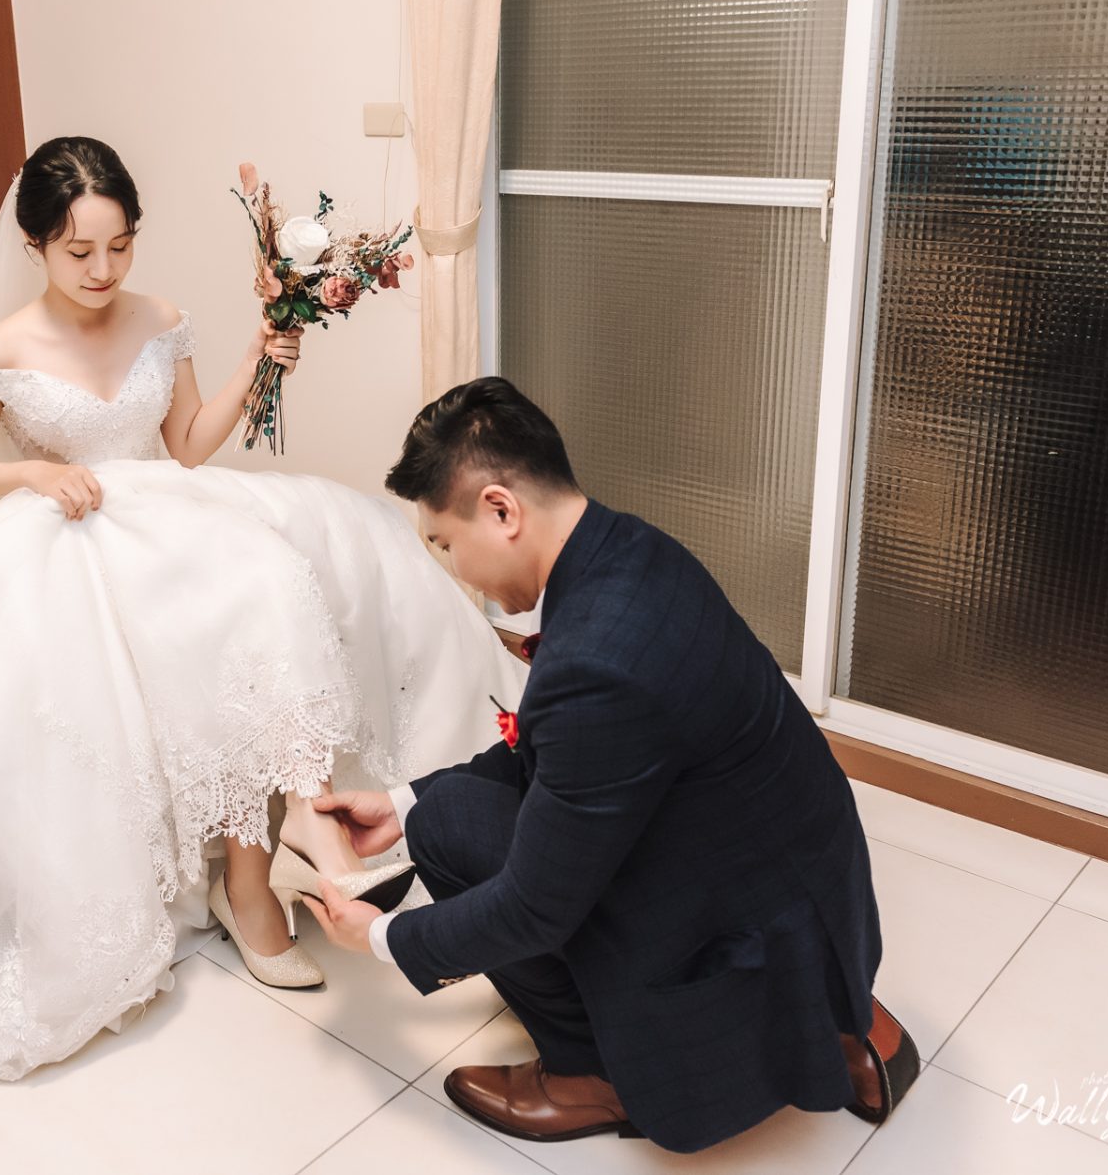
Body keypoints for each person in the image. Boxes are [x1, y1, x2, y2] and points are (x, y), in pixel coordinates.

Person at [0, 137, 527, 1081]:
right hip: (71, 528)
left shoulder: (161, 318)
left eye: (120, 245)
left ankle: (270, 855)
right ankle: (234, 881)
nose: (103, 270)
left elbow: (184, 447)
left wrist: (258, 360)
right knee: (194, 632)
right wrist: (36, 474)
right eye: (78, 252)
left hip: (167, 513)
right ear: (35, 245)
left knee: (275, 590)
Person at [301, 377, 920, 1154]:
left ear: (501, 510)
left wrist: (384, 938)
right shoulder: (630, 550)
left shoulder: (595, 661)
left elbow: (535, 910)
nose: (455, 569)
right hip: (804, 883)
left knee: (453, 830)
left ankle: (590, 1073)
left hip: (739, 928)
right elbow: (567, 751)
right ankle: (835, 1014)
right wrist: (402, 801)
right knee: (439, 806)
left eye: (446, 544)